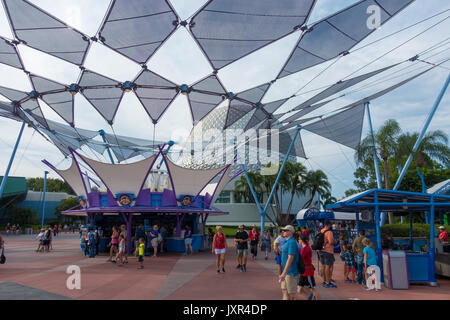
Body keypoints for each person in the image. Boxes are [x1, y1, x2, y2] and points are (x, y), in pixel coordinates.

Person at [279, 225, 300, 300]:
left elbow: (290, 258)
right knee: (284, 291)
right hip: (286, 272)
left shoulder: (291, 242)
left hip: (290, 272)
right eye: (283, 230)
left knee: (292, 294)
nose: (283, 232)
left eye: (285, 230)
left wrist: (284, 273)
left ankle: (310, 297)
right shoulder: (287, 242)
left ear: (291, 232)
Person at [298, 234, 319, 300]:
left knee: (313, 289)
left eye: (299, 239)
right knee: (299, 288)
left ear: (301, 240)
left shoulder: (305, 248)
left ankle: (314, 297)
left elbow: (300, 258)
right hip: (304, 271)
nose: (298, 240)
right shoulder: (305, 248)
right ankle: (310, 297)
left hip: (307, 272)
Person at [318, 221, 337, 288]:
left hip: (321, 250)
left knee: (323, 266)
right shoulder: (329, 232)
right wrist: (335, 241)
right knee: (328, 266)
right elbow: (331, 242)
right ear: (329, 225)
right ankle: (327, 282)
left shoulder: (321, 231)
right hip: (328, 251)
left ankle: (324, 281)